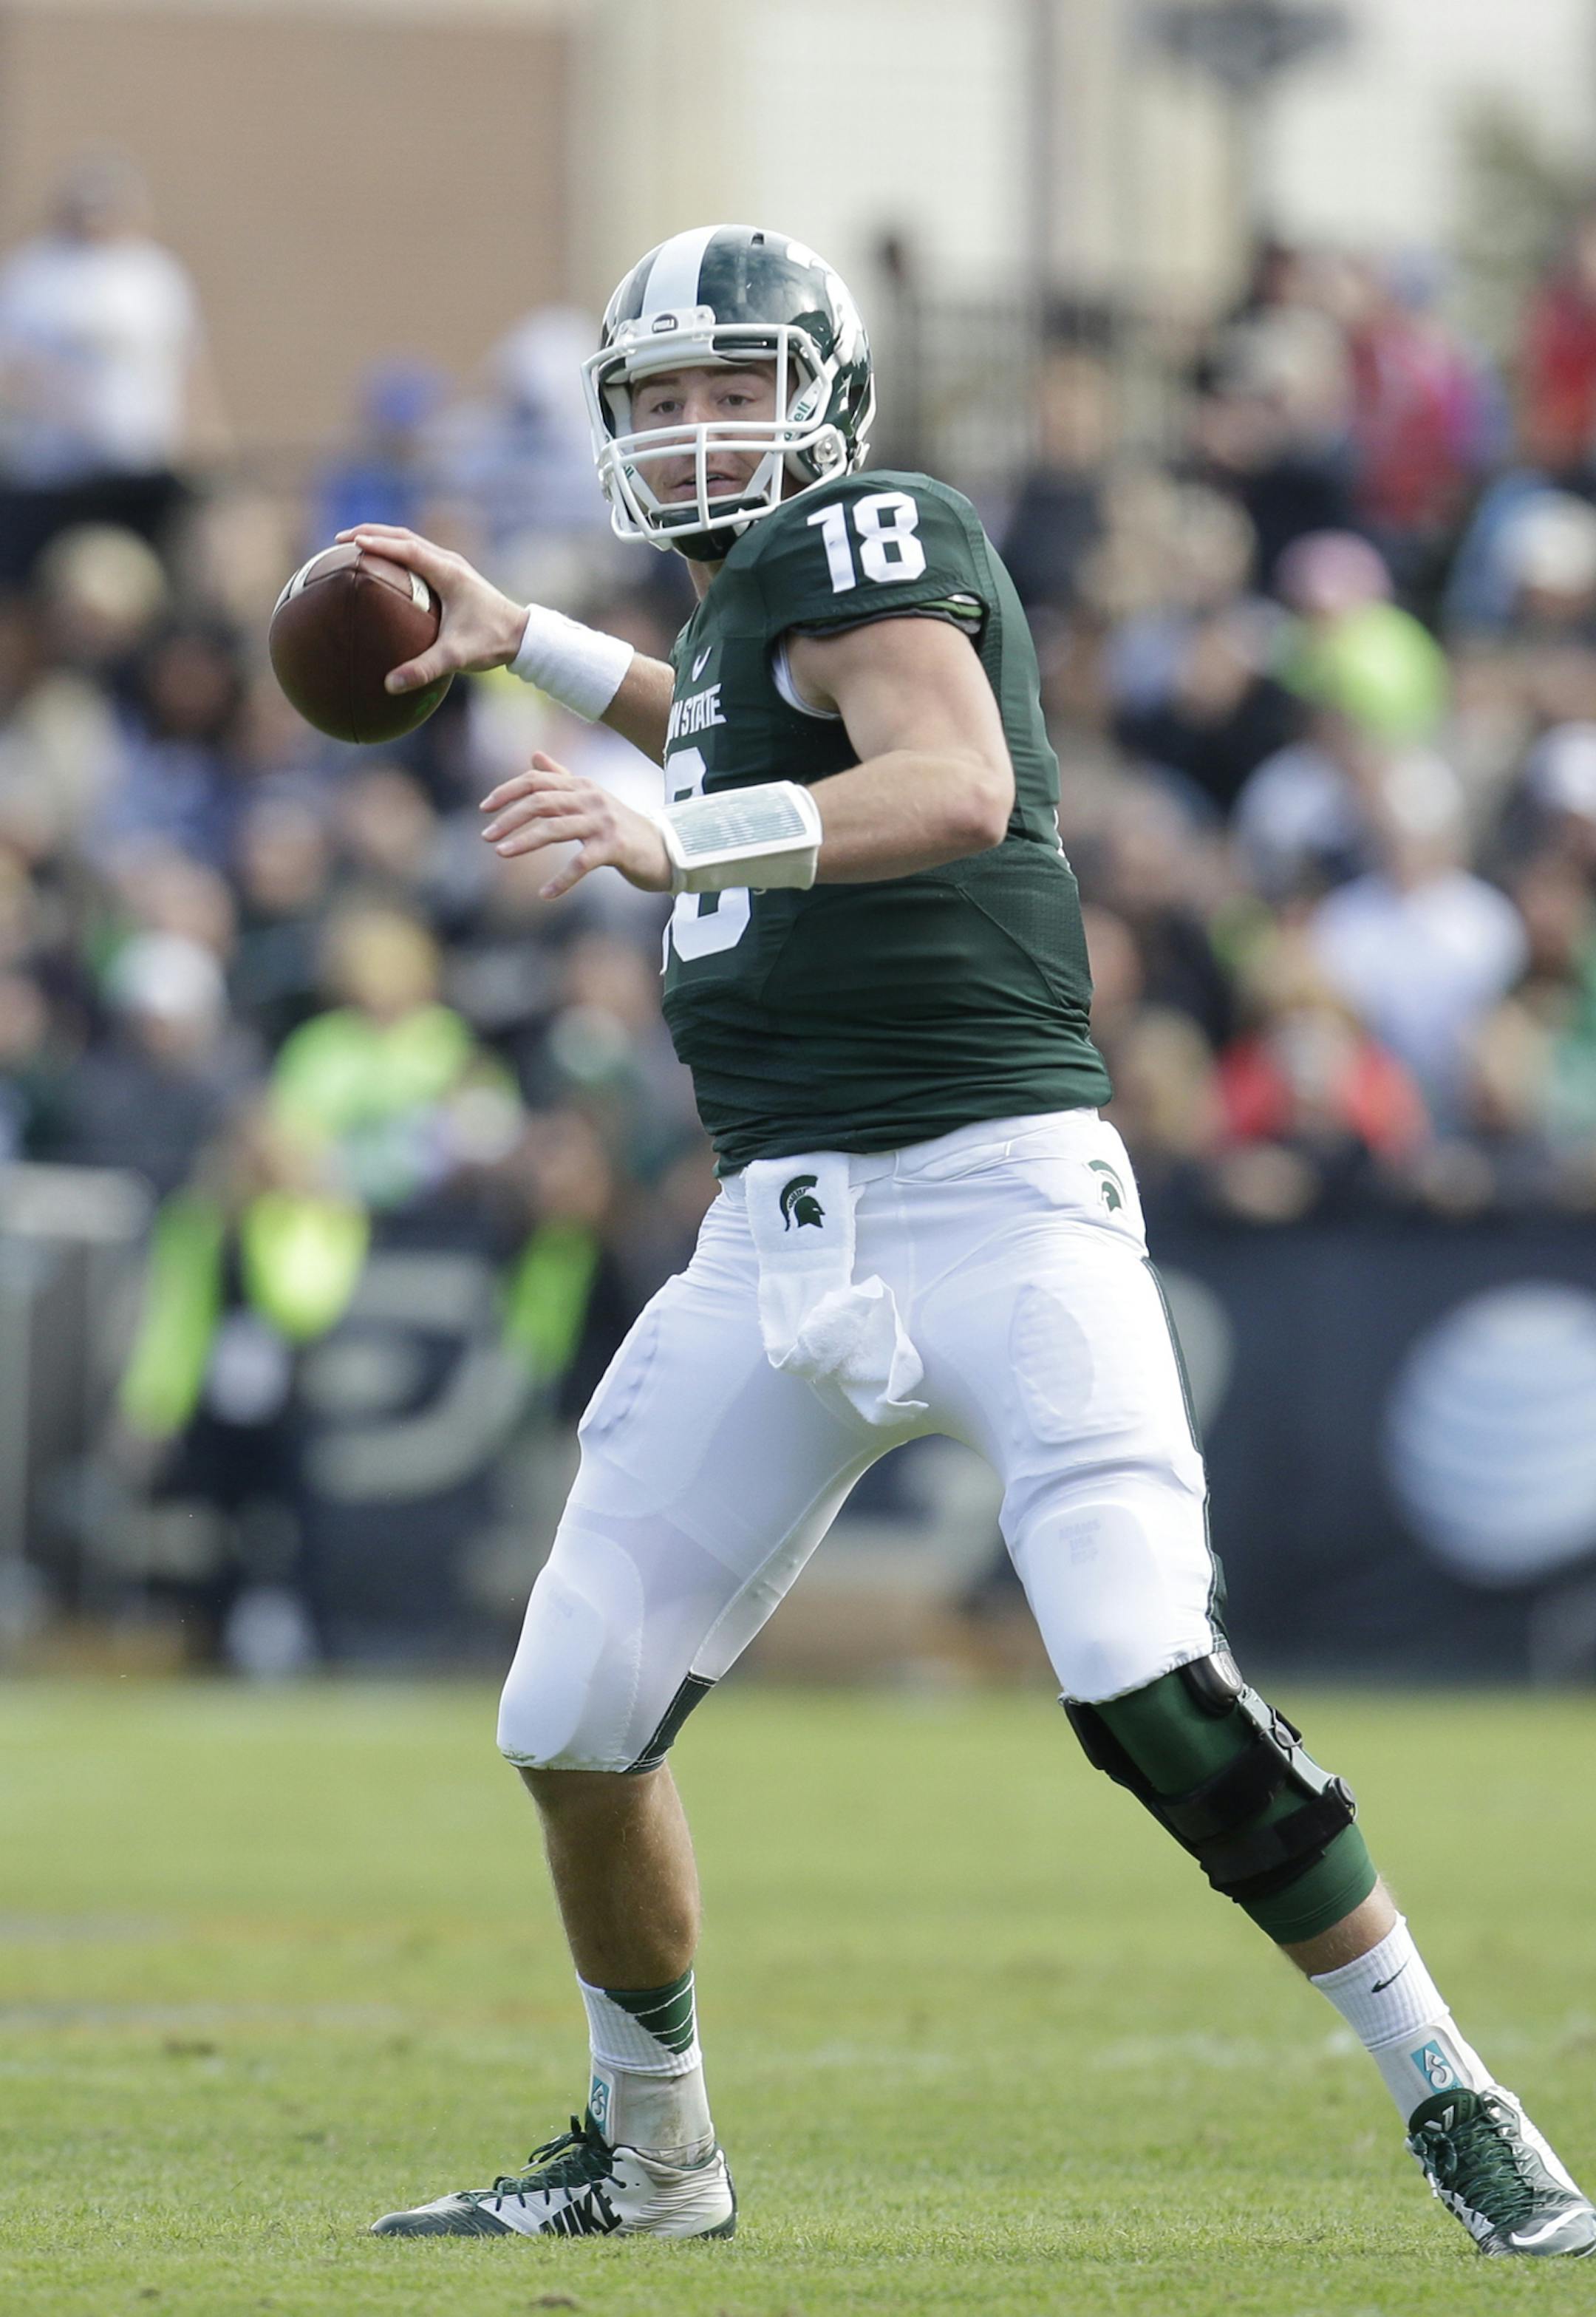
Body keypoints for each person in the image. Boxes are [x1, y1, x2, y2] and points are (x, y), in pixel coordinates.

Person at [344, 226, 1595, 2257]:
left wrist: (684, 841)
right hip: (778, 1231)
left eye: (730, 386)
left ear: (826, 394)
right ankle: (653, 2159)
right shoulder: (753, 617)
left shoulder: (877, 531)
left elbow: (950, 775)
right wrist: (531, 648)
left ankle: (1452, 2089)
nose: (692, 431)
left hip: (1000, 1195)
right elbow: (725, 720)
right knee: (569, 1714)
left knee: (1136, 1673)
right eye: (657, 399)